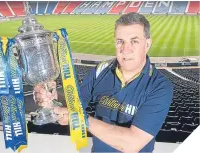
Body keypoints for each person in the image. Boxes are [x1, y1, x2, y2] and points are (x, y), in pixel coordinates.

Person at [33, 12, 173, 153]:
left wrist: (81, 119)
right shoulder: (101, 70)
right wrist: (53, 100)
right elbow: (74, 106)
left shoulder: (160, 86)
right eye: (120, 41)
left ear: (147, 44)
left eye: (134, 41)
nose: (126, 49)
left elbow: (132, 144)